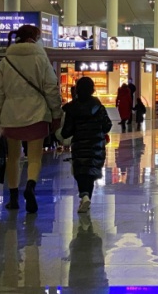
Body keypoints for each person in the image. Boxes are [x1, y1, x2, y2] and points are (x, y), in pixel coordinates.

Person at [0, 24, 63, 213]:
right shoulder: (41, 58)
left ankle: (13, 198)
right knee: (34, 158)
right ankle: (30, 186)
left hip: (11, 115)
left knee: (13, 157)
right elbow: (51, 88)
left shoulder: (6, 60)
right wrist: (56, 113)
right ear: (36, 38)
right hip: (37, 114)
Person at [60, 77, 112, 214]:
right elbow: (107, 126)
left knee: (81, 172)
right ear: (92, 89)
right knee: (91, 173)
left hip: (80, 146)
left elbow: (66, 131)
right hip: (96, 146)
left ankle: (84, 196)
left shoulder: (72, 108)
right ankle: (86, 198)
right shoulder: (98, 106)